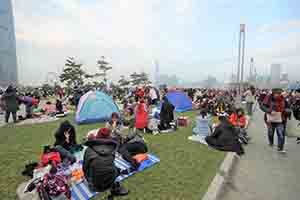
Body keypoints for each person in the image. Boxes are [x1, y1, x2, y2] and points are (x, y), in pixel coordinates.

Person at [83, 127, 129, 197]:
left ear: (97, 137)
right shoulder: (113, 149)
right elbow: (111, 165)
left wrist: (89, 179)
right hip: (110, 181)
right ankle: (112, 186)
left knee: (91, 171)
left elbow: (85, 168)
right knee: (113, 167)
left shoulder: (88, 150)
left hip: (95, 185)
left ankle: (101, 185)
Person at [261, 88, 287, 153]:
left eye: (279, 94)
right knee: (270, 133)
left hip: (281, 120)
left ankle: (280, 148)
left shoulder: (284, 99)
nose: (277, 95)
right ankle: (271, 142)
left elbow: (288, 108)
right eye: (276, 93)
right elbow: (262, 106)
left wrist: (285, 111)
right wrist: (269, 111)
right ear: (273, 93)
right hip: (270, 119)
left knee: (281, 134)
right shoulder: (268, 98)